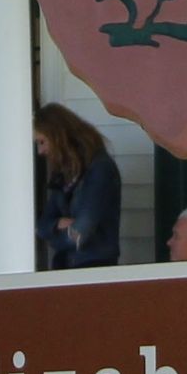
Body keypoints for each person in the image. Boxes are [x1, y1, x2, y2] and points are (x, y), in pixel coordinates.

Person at [35, 105, 122, 270]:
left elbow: (80, 232)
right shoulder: (64, 173)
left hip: (94, 267)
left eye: (42, 142)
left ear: (58, 136)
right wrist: (57, 224)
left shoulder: (100, 169)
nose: (40, 151)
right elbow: (42, 225)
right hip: (65, 266)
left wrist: (53, 237)